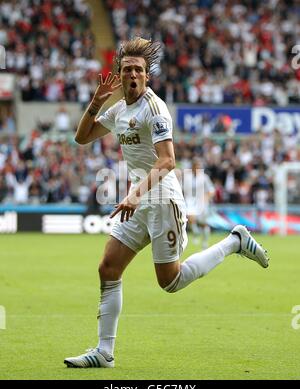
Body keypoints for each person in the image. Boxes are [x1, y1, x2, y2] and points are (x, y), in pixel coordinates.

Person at [64, 38, 269, 368]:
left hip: (162, 200)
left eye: (139, 70)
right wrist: (95, 102)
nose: (133, 74)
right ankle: (104, 353)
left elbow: (168, 161)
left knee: (170, 282)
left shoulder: (154, 109)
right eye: (127, 69)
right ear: (118, 74)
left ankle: (234, 241)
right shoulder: (117, 110)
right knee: (108, 268)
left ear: (147, 76)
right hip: (139, 202)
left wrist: (134, 194)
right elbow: (82, 137)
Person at [185, 158, 215, 249]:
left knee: (204, 223)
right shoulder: (187, 177)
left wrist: (206, 199)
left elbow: (211, 190)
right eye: (195, 166)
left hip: (202, 202)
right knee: (190, 217)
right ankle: (195, 232)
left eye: (198, 166)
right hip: (190, 201)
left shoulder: (205, 178)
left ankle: (205, 242)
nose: (196, 168)